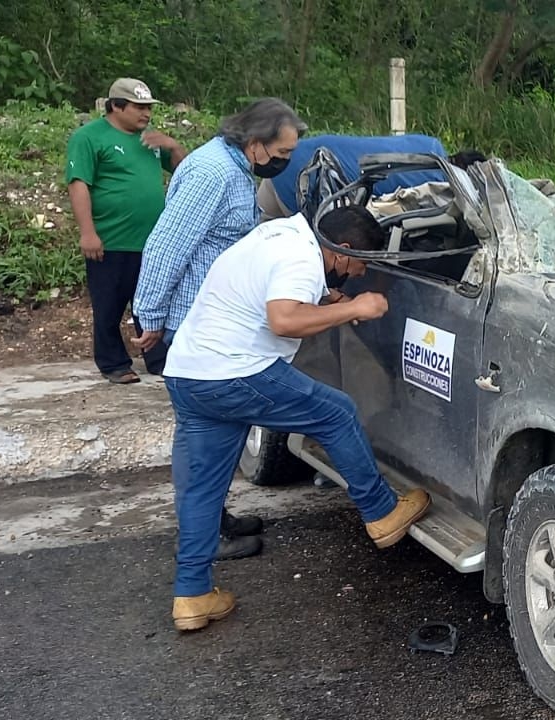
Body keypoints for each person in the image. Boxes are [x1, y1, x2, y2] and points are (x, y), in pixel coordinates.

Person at [165, 206, 430, 631]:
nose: (359, 274)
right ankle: (382, 513)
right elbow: (284, 319)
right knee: (336, 413)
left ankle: (192, 596)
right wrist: (351, 308)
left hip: (189, 374)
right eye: (361, 264)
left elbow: (269, 296)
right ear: (342, 251)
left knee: (202, 489)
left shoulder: (283, 234)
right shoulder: (303, 259)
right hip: (235, 372)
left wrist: (323, 301)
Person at [134, 97, 307, 562]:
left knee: (217, 435)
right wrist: (148, 317)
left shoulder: (231, 168)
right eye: (283, 153)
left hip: (210, 324)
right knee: (202, 442)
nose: (285, 163)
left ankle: (213, 520)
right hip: (192, 324)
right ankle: (205, 539)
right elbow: (167, 246)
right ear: (255, 143)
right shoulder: (213, 174)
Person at [65, 78, 186, 384]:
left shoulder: (150, 140)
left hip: (152, 239)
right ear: (116, 106)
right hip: (112, 238)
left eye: (149, 108)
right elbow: (79, 183)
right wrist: (88, 232)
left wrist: (172, 146)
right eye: (139, 107)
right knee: (109, 303)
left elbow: (186, 170)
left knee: (153, 301)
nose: (146, 114)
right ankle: (113, 363)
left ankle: (159, 358)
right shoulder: (89, 137)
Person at [254, 133, 450, 221]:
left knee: (256, 233)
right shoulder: (435, 177)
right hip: (305, 179)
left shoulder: (428, 145)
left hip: (293, 159)